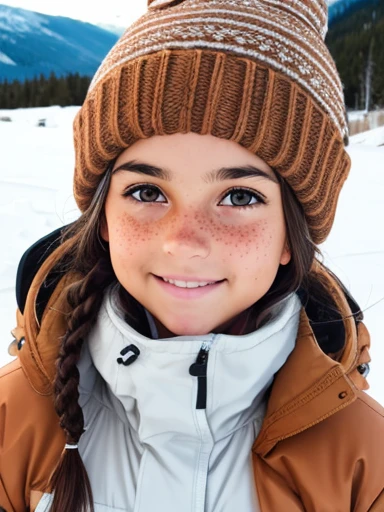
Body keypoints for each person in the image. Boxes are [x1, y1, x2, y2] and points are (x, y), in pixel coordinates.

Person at [1, 0, 384, 510]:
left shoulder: (363, 460)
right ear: (105, 218)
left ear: (292, 237)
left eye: (240, 197)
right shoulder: (14, 421)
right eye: (146, 192)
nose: (182, 241)